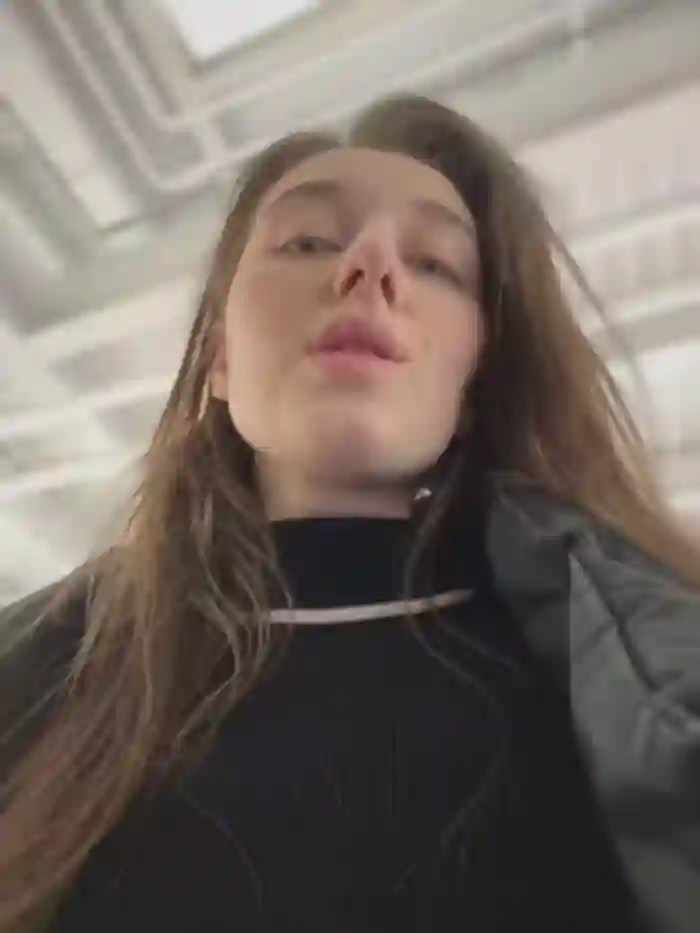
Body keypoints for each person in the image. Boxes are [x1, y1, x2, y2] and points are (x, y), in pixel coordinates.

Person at [0, 94, 698, 933]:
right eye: (307, 242)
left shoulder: (630, 669)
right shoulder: (33, 668)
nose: (371, 264)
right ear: (218, 357)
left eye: (436, 263)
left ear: (476, 380)